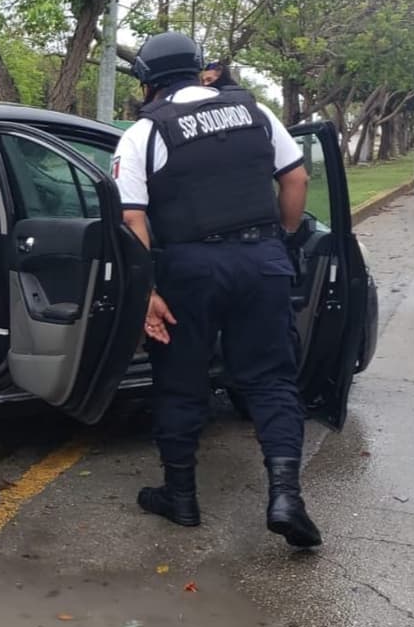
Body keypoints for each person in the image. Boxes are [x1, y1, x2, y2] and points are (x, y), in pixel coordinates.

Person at [113, 31, 320, 548]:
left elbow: (132, 218)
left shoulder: (145, 133)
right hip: (261, 259)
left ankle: (180, 497)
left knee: (181, 381)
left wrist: (147, 291)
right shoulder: (256, 112)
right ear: (201, 69)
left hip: (190, 268)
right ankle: (285, 495)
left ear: (148, 81)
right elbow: (295, 180)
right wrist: (284, 239)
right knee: (272, 380)